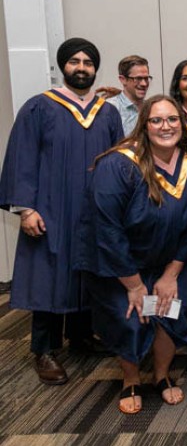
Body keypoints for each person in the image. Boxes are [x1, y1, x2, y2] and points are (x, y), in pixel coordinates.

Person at [75, 95, 187, 414]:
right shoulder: (117, 165)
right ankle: (131, 379)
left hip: (167, 262)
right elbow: (107, 230)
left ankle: (161, 376)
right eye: (157, 120)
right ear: (144, 125)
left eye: (172, 119)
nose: (166, 126)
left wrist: (170, 274)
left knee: (167, 316)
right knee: (132, 321)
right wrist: (134, 285)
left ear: (182, 122)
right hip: (120, 265)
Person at [0, 37, 123, 385]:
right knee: (49, 276)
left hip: (93, 210)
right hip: (51, 210)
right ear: (62, 66)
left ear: (95, 68)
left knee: (88, 271)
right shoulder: (39, 107)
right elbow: (22, 159)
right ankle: (44, 349)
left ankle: (82, 338)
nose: (81, 67)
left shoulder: (107, 113)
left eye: (87, 62)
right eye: (74, 62)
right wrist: (26, 210)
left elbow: (117, 161)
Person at [108, 55, 152, 135]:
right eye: (138, 79)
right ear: (123, 80)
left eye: (146, 78)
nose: (144, 84)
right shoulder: (109, 109)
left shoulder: (151, 107)